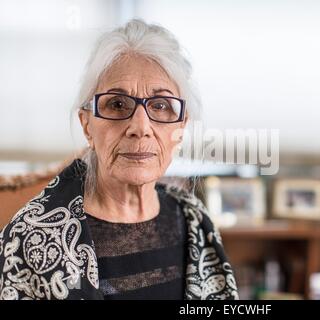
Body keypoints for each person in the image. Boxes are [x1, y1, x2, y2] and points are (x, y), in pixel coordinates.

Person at [0, 19, 238, 300]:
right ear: (87, 124)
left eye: (160, 106)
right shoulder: (28, 239)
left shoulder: (195, 221)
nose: (140, 127)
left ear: (181, 126)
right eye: (117, 104)